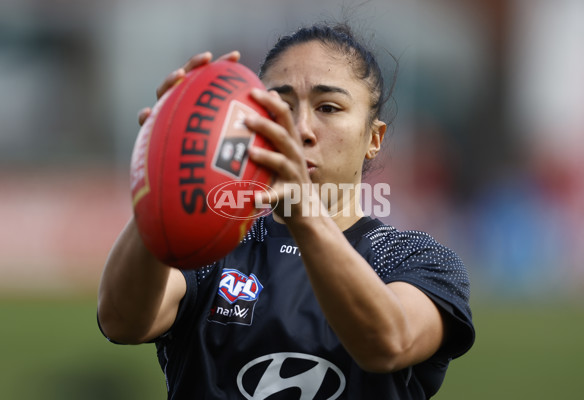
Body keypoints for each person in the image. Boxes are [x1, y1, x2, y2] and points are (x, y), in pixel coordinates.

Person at [98, 22, 475, 399]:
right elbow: (122, 322)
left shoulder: (415, 259)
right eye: (279, 107)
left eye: (328, 107)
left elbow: (388, 342)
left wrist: (303, 211)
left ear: (373, 138)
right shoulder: (213, 245)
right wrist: (164, 179)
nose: (300, 128)